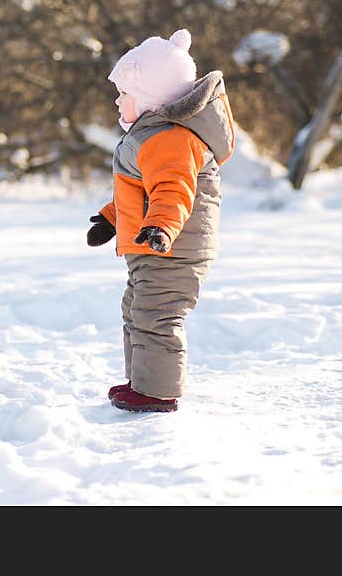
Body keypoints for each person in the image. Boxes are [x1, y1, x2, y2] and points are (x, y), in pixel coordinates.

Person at [87, 28, 235, 413]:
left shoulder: (169, 139)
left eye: (125, 94)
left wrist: (161, 228)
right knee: (136, 309)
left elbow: (172, 191)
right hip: (154, 245)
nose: (118, 102)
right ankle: (143, 381)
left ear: (150, 98)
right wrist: (111, 218)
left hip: (172, 248)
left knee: (156, 314)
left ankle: (156, 392)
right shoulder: (152, 134)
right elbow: (140, 191)